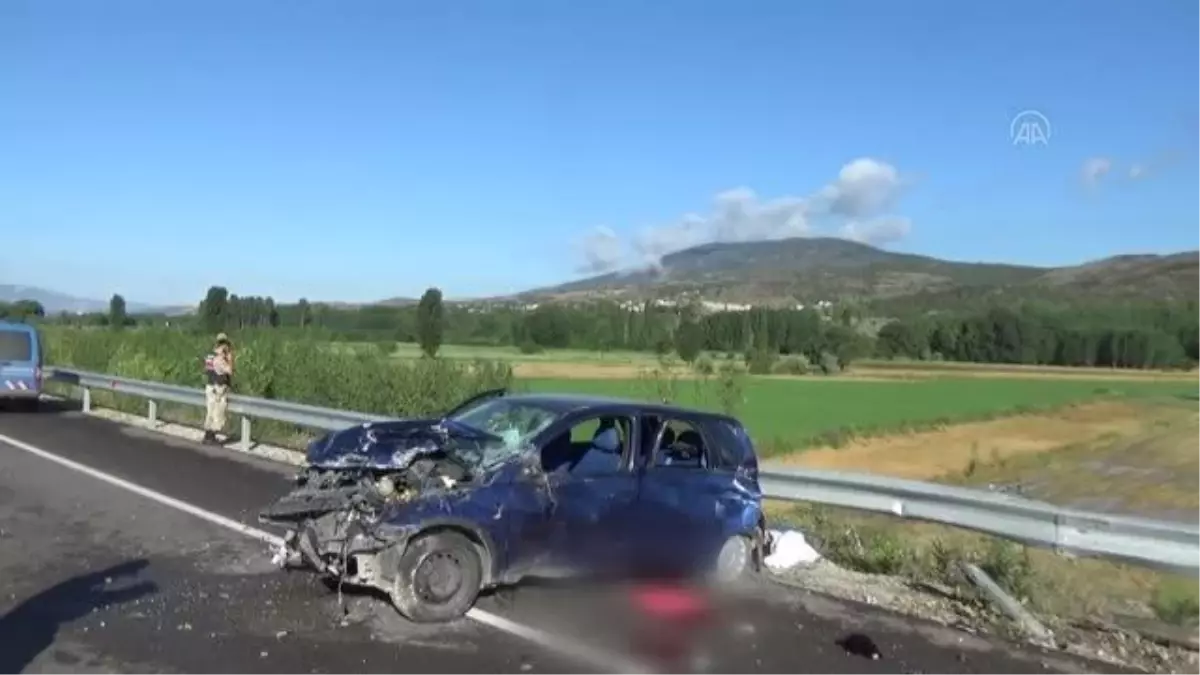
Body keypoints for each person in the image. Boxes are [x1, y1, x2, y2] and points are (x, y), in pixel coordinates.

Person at [202, 333, 235, 445]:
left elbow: (207, 369)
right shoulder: (219, 359)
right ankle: (211, 437)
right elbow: (230, 370)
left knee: (210, 412)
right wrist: (230, 359)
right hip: (218, 388)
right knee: (218, 413)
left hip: (210, 386)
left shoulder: (209, 356)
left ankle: (208, 436)